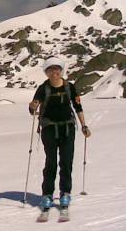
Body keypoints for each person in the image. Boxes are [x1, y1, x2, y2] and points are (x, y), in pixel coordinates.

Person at [29, 57, 91, 211]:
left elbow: (78, 107)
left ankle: (65, 193)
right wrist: (32, 107)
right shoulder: (43, 88)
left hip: (67, 129)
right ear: (47, 72)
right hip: (49, 129)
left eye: (56, 69)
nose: (54, 72)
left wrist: (84, 125)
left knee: (66, 162)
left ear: (60, 71)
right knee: (51, 162)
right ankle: (47, 195)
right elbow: (33, 108)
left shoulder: (69, 87)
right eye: (50, 70)